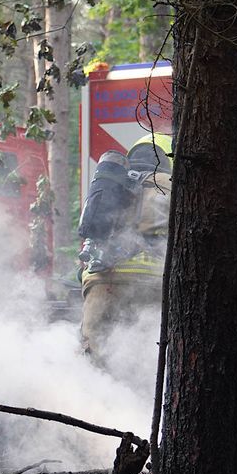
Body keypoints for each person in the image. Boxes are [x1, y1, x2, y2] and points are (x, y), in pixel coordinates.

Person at [77, 133, 173, 359]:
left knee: (94, 357)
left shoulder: (113, 182)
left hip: (100, 280)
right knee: (149, 357)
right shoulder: (171, 185)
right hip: (150, 282)